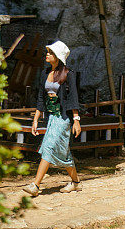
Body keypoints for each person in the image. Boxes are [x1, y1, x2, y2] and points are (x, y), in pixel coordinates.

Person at [23, 41, 82, 197]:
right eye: (47, 52)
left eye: (50, 52)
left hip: (63, 119)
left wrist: (76, 120)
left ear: (58, 57)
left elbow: (73, 98)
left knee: (48, 147)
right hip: (51, 117)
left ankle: (35, 185)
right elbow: (41, 99)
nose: (47, 54)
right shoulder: (44, 73)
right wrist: (35, 119)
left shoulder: (68, 74)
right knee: (64, 151)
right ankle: (75, 183)